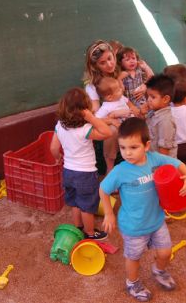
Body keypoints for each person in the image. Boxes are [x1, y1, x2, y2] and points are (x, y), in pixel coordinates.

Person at [99, 117, 186, 302]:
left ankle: (159, 270)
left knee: (165, 253)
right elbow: (103, 188)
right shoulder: (120, 170)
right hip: (133, 226)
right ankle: (132, 283)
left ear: (147, 145)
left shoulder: (154, 159)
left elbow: (177, 164)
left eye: (133, 147)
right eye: (123, 148)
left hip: (156, 220)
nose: (127, 153)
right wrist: (109, 213)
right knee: (134, 258)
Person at [50, 88, 112, 240]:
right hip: (85, 173)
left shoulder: (60, 126)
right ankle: (90, 233)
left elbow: (53, 148)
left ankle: (78, 227)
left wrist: (57, 158)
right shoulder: (86, 129)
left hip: (68, 171)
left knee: (76, 202)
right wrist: (91, 117)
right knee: (87, 206)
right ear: (85, 109)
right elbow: (107, 133)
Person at [83, 40, 121, 173]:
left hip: (124, 114)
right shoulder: (93, 86)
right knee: (112, 130)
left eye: (110, 58)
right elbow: (95, 117)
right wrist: (111, 120)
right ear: (95, 66)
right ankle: (109, 169)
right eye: (102, 63)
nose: (109, 64)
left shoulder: (120, 72)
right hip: (106, 122)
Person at [145, 74, 177, 157]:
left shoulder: (165, 121)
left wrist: (161, 168)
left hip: (162, 164)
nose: (148, 100)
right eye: (148, 96)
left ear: (165, 99)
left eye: (153, 97)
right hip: (153, 160)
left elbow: (164, 149)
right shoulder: (152, 113)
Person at [117, 46, 154, 115]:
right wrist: (119, 79)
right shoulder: (122, 74)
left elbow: (151, 77)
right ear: (121, 63)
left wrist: (146, 67)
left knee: (149, 115)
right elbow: (120, 90)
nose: (131, 61)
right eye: (127, 60)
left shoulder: (139, 70)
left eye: (133, 58)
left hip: (143, 102)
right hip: (129, 105)